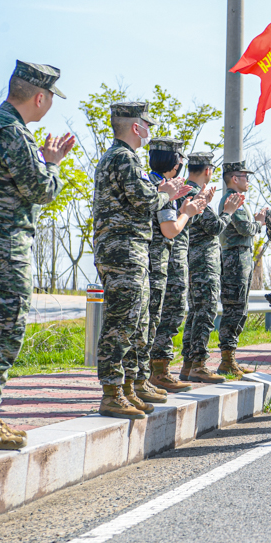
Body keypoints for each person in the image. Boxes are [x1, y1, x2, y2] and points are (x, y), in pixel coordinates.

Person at [0, 60, 75, 449]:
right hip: (3, 245)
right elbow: (41, 189)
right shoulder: (12, 132)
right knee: (4, 332)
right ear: (40, 97)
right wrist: (52, 163)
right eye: (51, 98)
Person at [92, 101, 190, 420]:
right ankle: (112, 392)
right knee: (122, 321)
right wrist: (168, 194)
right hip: (122, 249)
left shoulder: (125, 156)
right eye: (147, 123)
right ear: (137, 127)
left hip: (131, 248)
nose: (149, 130)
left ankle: (129, 387)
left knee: (137, 321)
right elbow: (145, 199)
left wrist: (163, 193)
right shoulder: (122, 157)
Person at [139, 137, 207, 399]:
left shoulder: (150, 182)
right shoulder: (162, 187)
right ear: (174, 163)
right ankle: (148, 377)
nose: (181, 165)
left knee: (151, 319)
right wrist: (187, 212)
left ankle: (147, 376)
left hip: (148, 261)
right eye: (180, 160)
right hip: (155, 263)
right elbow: (170, 230)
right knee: (153, 319)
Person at [180, 153, 245, 382]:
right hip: (203, 264)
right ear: (208, 171)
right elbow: (215, 227)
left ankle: (189, 365)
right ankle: (198, 364)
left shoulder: (183, 190)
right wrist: (228, 211)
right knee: (205, 313)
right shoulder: (193, 193)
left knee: (196, 313)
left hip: (193, 262)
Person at [216, 162, 268, 375]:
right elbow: (245, 228)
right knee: (234, 308)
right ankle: (226, 360)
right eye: (244, 177)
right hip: (234, 259)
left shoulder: (237, 200)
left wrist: (254, 222)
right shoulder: (232, 199)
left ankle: (230, 359)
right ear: (234, 178)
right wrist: (259, 222)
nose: (248, 181)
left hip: (241, 258)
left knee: (240, 308)